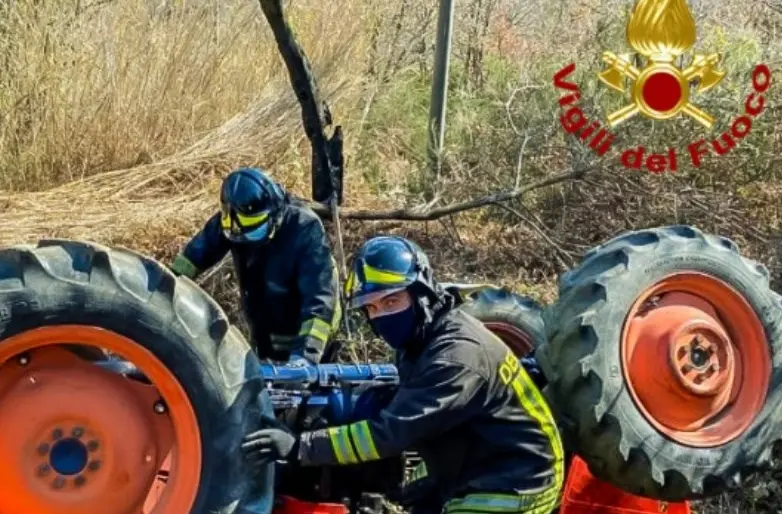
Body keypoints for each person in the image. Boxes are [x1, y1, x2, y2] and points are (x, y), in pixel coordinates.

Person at [240, 235, 565, 514]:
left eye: (391, 300)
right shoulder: (421, 338)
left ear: (421, 293)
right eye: (371, 308)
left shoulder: (455, 356)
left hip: (520, 478)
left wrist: (301, 447)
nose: (381, 315)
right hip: (483, 460)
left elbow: (387, 434)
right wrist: (433, 482)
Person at [169, 167, 342, 365]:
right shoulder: (234, 221)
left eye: (254, 234)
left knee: (309, 388)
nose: (246, 241)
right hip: (265, 330)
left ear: (274, 216)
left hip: (309, 332)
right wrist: (164, 284)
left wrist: (306, 357)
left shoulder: (305, 228)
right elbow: (192, 258)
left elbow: (320, 298)